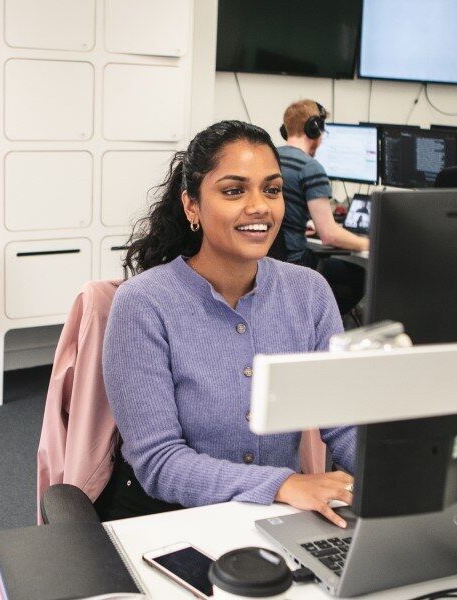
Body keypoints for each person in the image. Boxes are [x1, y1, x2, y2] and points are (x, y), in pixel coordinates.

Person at [102, 120, 356, 528]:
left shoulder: (309, 292)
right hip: (168, 518)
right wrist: (282, 484)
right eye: (234, 190)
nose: (259, 206)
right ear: (192, 206)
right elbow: (159, 462)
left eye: (272, 190)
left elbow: (343, 421)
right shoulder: (144, 304)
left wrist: (400, 477)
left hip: (277, 515)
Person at [276, 99, 367, 315]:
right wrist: (368, 242)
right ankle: (319, 330)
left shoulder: (272, 157)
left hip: (272, 261)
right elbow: (330, 236)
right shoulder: (310, 168)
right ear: (313, 129)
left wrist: (299, 224)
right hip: (296, 262)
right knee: (359, 277)